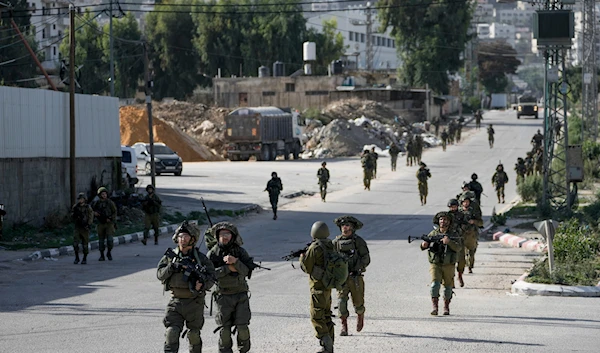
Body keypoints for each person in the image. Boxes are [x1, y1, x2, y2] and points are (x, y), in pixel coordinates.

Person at [157, 221, 216, 353]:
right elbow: (160, 274)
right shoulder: (170, 257)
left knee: (194, 335)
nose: (182, 239)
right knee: (171, 332)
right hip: (176, 301)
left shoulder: (201, 259)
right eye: (180, 236)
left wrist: (202, 285)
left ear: (193, 239)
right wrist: (172, 267)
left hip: (194, 302)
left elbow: (212, 277)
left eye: (186, 236)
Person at [207, 222, 253, 353]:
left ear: (232, 236)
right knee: (224, 330)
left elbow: (247, 271)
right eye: (222, 234)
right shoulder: (213, 254)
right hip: (223, 296)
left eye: (227, 234)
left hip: (240, 295)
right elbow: (208, 275)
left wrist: (236, 262)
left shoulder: (240, 251)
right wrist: (227, 269)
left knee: (243, 327)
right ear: (217, 236)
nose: (224, 237)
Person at [300, 221, 335, 353]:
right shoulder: (330, 245)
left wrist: (302, 258)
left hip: (317, 287)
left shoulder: (315, 247)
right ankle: (330, 345)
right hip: (328, 286)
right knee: (326, 315)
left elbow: (307, 268)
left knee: (316, 316)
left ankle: (326, 345)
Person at [333, 216, 370, 336]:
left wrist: (357, 268)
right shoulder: (336, 242)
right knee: (341, 302)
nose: (345, 227)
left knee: (358, 302)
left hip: (355, 277)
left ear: (352, 227)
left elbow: (366, 258)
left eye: (347, 225)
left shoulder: (358, 241)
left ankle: (360, 316)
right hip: (341, 279)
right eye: (343, 225)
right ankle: (344, 326)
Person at [420, 212, 461, 315]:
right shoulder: (433, 233)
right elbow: (424, 245)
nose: (443, 222)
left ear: (449, 222)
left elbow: (458, 247)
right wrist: (424, 245)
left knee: (448, 287)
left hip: (448, 264)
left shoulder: (453, 234)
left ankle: (446, 307)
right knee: (435, 285)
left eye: (445, 220)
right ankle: (435, 307)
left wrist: (449, 242)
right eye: (441, 219)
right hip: (436, 264)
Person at [460, 194, 483, 273]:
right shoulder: (459, 212)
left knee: (471, 252)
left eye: (467, 202)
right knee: (461, 253)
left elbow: (481, 223)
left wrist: (474, 221)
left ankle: (470, 266)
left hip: (472, 235)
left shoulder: (474, 211)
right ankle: (462, 267)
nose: (466, 203)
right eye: (464, 202)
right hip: (461, 235)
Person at [93, 187, 117, 261]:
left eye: (105, 194)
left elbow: (115, 212)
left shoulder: (110, 203)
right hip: (100, 223)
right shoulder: (97, 203)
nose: (104, 195)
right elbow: (91, 210)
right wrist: (95, 213)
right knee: (101, 241)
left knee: (110, 240)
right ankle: (102, 255)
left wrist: (110, 218)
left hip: (109, 223)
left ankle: (109, 252)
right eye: (102, 194)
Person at [447, 199, 467, 287]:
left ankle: (460, 275)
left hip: (459, 240)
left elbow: (466, 225)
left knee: (461, 260)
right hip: (450, 240)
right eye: (451, 207)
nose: (453, 208)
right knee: (450, 261)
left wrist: (463, 228)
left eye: (454, 206)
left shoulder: (461, 215)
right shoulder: (446, 216)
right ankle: (451, 280)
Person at [71, 193, 94, 265]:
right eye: (79, 199)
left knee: (85, 244)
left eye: (82, 199)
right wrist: (74, 215)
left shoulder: (88, 207)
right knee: (75, 244)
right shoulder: (75, 207)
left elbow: (91, 216)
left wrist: (88, 224)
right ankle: (77, 257)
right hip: (77, 227)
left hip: (85, 228)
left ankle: (84, 257)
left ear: (84, 199)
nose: (80, 200)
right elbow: (71, 216)